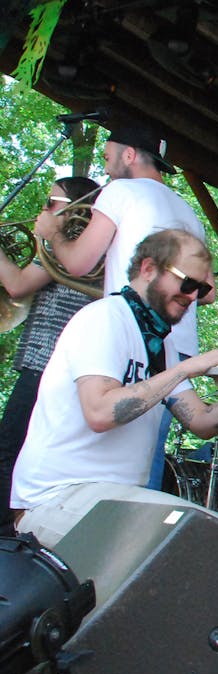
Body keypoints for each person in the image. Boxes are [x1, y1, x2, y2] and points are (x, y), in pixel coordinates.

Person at [10, 229, 218, 550]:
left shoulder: (162, 344)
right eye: (187, 284)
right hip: (56, 498)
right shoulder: (105, 318)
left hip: (109, 501)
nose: (194, 297)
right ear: (148, 269)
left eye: (201, 289)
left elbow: (201, 421)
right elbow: (100, 413)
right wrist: (185, 367)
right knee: (209, 545)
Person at [39, 116, 209, 488]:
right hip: (176, 345)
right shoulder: (189, 212)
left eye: (106, 155)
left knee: (100, 454)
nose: (103, 164)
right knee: (143, 460)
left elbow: (78, 262)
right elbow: (208, 292)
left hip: (132, 338)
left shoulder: (119, 191)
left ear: (129, 155)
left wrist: (53, 234)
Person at [0, 177, 100, 534]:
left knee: (8, 449)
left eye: (52, 203)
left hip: (45, 364)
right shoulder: (77, 251)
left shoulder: (67, 248)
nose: (44, 210)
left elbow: (16, 285)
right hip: (54, 366)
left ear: (76, 209)